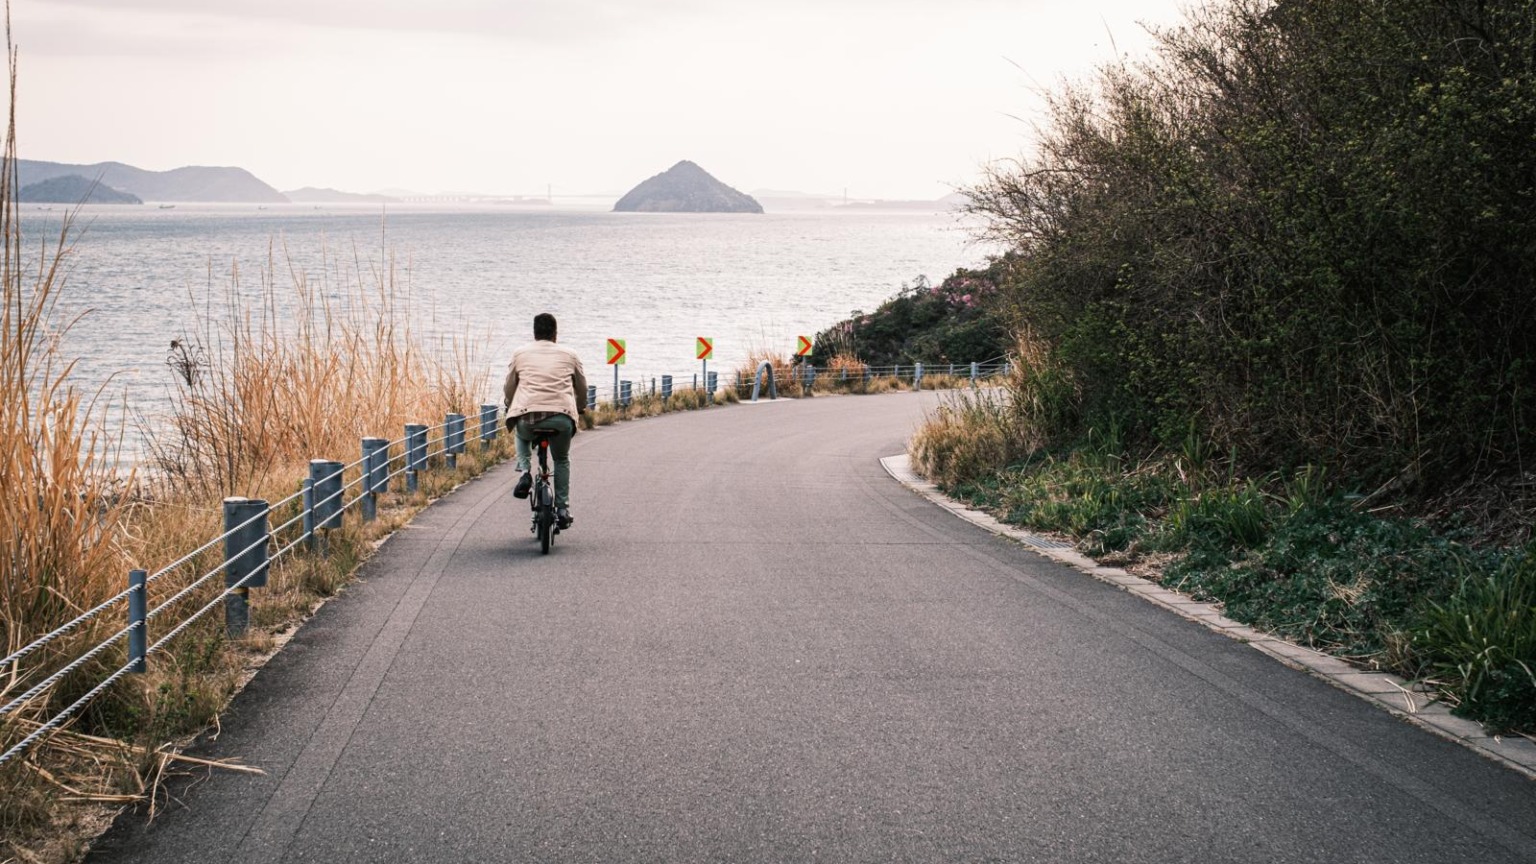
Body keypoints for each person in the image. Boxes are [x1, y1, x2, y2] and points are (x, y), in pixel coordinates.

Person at [503, 313, 587, 528]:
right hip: (561, 418)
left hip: (528, 417)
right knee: (561, 460)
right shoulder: (570, 355)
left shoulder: (520, 354)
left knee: (520, 435)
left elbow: (510, 386)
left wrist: (509, 404)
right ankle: (562, 508)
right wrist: (580, 407)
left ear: (534, 333)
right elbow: (581, 387)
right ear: (555, 334)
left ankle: (524, 471)